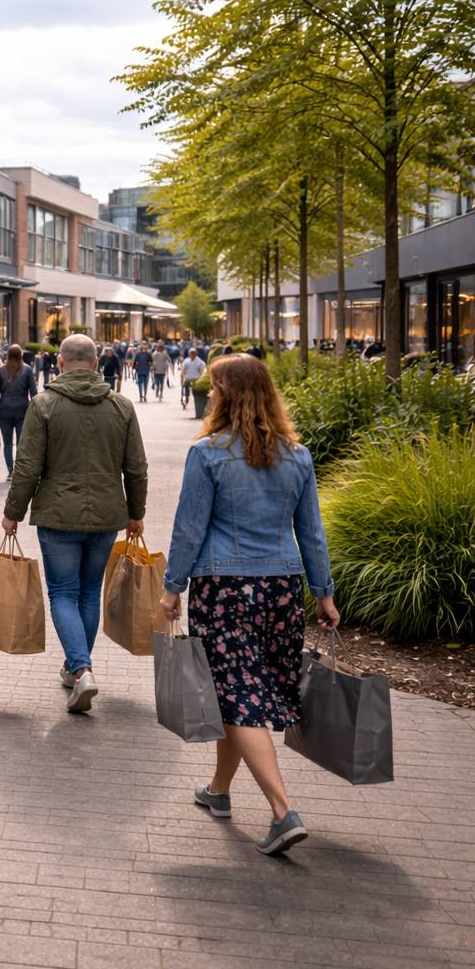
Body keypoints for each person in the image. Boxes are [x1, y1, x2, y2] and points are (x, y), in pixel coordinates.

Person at [159, 353, 339, 855]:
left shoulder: (209, 454)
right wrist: (323, 593)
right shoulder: (297, 456)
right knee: (241, 691)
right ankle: (218, 790)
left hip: (226, 589)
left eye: (215, 387)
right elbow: (312, 533)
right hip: (281, 590)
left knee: (239, 694)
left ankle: (283, 812)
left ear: (230, 394)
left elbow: (190, 528)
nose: (209, 393)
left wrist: (172, 586)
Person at [0, 335, 147, 714]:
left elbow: (27, 465)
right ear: (97, 363)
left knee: (63, 592)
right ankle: (75, 667)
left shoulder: (44, 404)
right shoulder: (122, 407)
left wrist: (12, 512)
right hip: (107, 515)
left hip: (57, 516)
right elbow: (136, 467)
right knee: (87, 592)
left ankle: (81, 669)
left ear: (61, 363)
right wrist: (137, 512)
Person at [0, 344, 36, 477]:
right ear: (21, 355)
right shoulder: (27, 370)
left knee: (7, 443)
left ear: (7, 355)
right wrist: (36, 410)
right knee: (21, 442)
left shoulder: (1, 370)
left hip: (5, 410)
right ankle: (19, 470)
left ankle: (10, 471)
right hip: (22, 409)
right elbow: (34, 393)